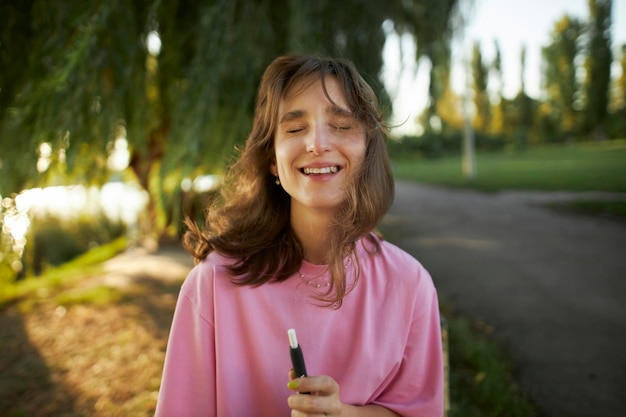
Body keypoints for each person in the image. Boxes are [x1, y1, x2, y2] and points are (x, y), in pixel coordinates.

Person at [155, 54, 443, 417]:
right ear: (272, 160)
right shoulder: (212, 286)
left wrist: (344, 414)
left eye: (340, 125)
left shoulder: (410, 284)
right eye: (294, 129)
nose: (317, 143)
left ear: (367, 149)